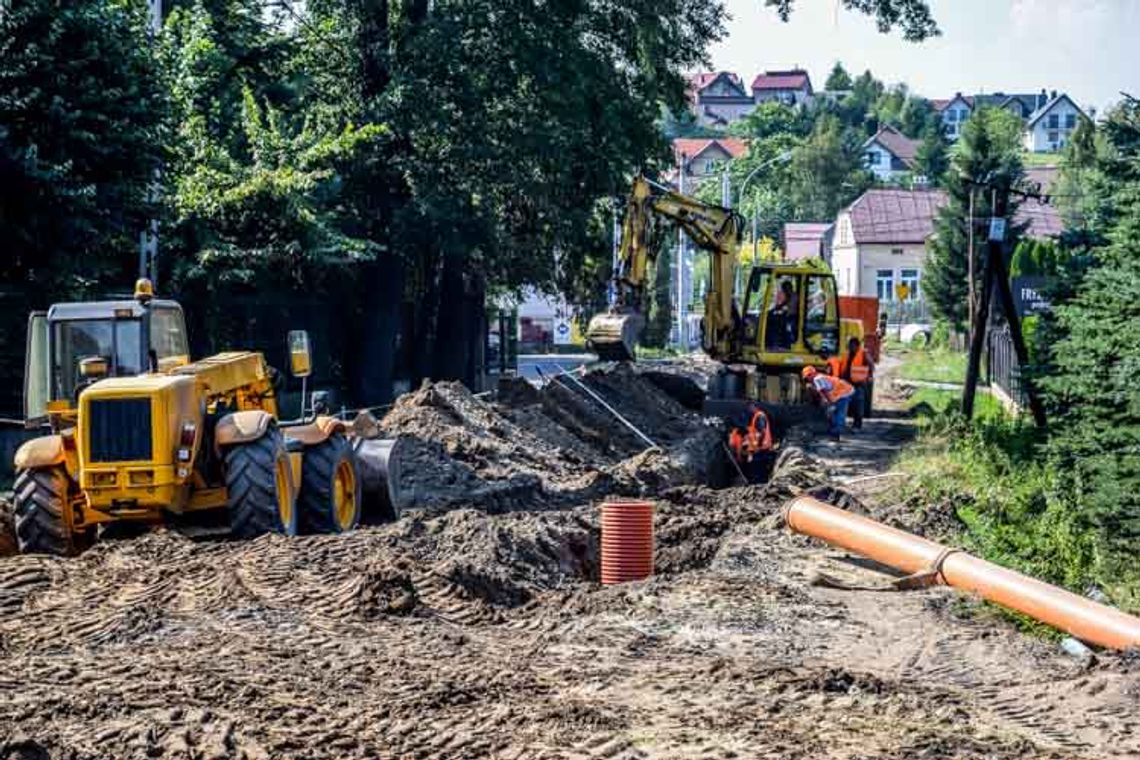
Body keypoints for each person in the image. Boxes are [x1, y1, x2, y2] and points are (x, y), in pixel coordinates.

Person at [802, 365, 855, 439]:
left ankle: (836, 434)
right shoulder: (819, 378)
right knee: (835, 413)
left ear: (812, 374)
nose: (807, 379)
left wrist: (828, 402)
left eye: (808, 376)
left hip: (844, 393)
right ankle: (835, 432)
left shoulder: (818, 379)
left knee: (839, 413)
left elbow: (823, 391)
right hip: (843, 392)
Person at [728, 404, 774, 482]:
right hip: (759, 448)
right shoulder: (756, 417)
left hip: (761, 448)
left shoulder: (759, 416)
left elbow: (761, 432)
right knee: (756, 468)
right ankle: (756, 481)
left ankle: (758, 483)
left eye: (751, 408)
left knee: (757, 468)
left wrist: (756, 446)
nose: (750, 410)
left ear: (754, 407)